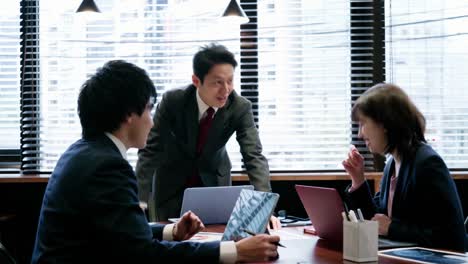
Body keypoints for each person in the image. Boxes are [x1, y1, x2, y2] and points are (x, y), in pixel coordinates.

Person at [31, 60, 280, 263]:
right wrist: (235, 252)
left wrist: (171, 232)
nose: (152, 121)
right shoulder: (106, 167)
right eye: (149, 109)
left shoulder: (84, 153)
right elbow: (144, 255)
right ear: (130, 115)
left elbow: (119, 231)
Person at [136, 43, 279, 228]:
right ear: (196, 81)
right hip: (171, 184)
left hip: (214, 182)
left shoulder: (239, 107)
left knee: (214, 241)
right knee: (168, 243)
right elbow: (150, 150)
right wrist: (138, 201)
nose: (226, 89)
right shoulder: (174, 101)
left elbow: (254, 156)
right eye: (218, 82)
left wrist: (264, 208)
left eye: (230, 81)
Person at [342, 83, 467, 252]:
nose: (360, 133)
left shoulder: (427, 164)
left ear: (384, 123)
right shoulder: (392, 164)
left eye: (363, 123)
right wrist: (358, 180)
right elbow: (376, 220)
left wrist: (392, 228)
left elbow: (451, 237)